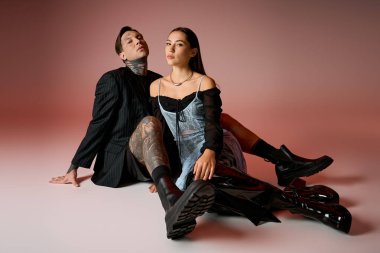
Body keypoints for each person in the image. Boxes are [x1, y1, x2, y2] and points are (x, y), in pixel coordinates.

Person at [150, 27, 351, 233]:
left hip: (212, 148)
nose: (171, 49)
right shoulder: (155, 86)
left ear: (193, 52)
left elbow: (214, 125)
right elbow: (161, 134)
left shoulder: (204, 82)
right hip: (183, 159)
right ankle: (295, 196)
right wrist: (164, 174)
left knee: (210, 178)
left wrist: (210, 152)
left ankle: (307, 208)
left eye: (179, 44)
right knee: (208, 194)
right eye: (168, 43)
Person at [49, 26, 216, 240]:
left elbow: (170, 126)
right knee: (149, 122)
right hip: (120, 161)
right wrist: (75, 166)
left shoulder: (158, 81)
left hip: (150, 163)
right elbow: (98, 124)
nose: (137, 41)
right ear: (122, 55)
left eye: (140, 37)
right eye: (129, 41)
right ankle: (172, 201)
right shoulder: (112, 79)